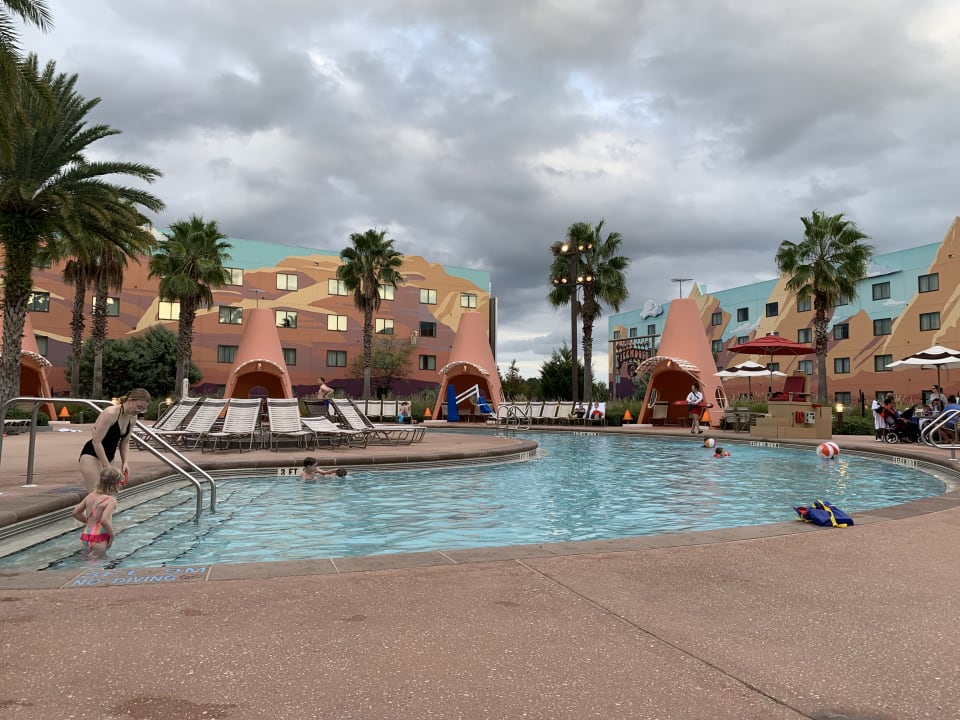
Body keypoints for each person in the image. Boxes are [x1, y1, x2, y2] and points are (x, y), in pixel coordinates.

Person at [78, 388, 151, 493]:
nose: (139, 411)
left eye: (143, 409)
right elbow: (96, 441)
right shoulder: (110, 413)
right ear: (130, 400)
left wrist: (125, 462)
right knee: (97, 494)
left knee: (110, 494)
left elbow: (125, 442)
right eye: (138, 407)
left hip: (109, 456)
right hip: (91, 454)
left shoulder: (132, 418)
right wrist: (106, 465)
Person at [72, 466, 122, 557]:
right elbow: (104, 520)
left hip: (86, 535)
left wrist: (88, 521)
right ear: (117, 484)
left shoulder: (90, 496)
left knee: (87, 562)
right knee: (100, 563)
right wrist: (112, 535)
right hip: (99, 537)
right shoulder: (111, 500)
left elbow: (75, 513)